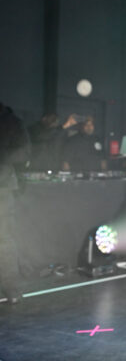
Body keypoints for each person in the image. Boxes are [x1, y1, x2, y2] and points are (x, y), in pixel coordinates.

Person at [0, 102, 30, 305]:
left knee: (3, 237)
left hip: (1, 184)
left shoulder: (11, 121)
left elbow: (23, 152)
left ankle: (11, 287)